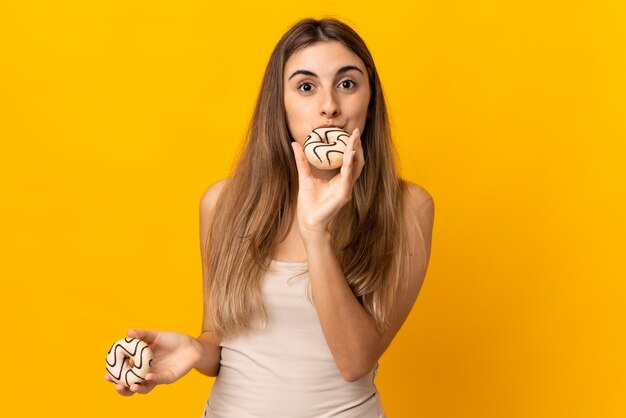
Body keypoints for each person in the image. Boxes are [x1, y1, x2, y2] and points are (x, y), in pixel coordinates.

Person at [104, 17, 434, 418]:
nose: (329, 105)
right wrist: (194, 349)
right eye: (306, 86)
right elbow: (221, 337)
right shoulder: (224, 203)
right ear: (279, 102)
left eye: (347, 84)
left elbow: (355, 360)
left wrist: (316, 232)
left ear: (370, 99)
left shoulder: (406, 208)